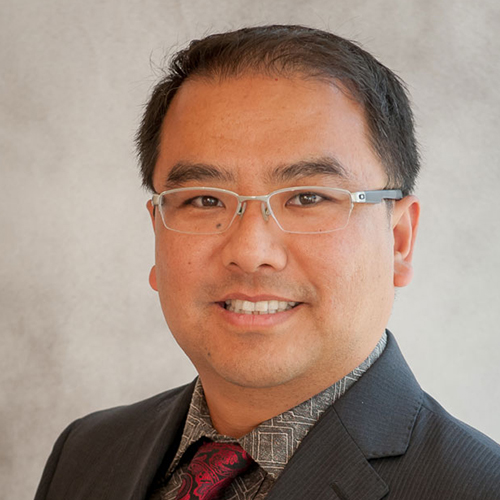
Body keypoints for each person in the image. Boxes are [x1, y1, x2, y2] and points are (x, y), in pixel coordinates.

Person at [35, 25, 500, 500]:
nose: (251, 252)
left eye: (307, 196)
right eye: (204, 200)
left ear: (399, 240)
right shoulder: (86, 452)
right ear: (157, 231)